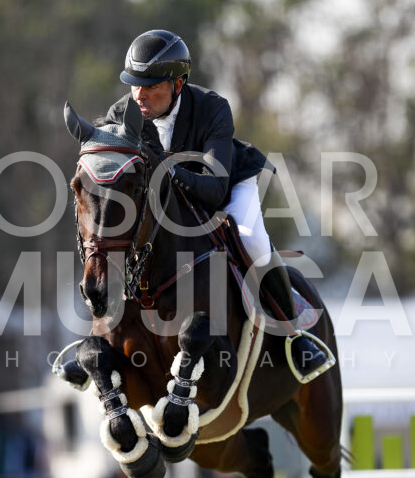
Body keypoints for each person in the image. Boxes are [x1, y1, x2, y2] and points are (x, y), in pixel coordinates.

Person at [104, 29, 334, 383]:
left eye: (151, 85)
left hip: (224, 185)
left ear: (178, 84)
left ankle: (294, 335)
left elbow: (213, 189)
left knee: (252, 239)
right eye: (134, 84)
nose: (139, 94)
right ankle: (100, 340)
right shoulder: (122, 114)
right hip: (164, 197)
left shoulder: (213, 108)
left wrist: (167, 168)